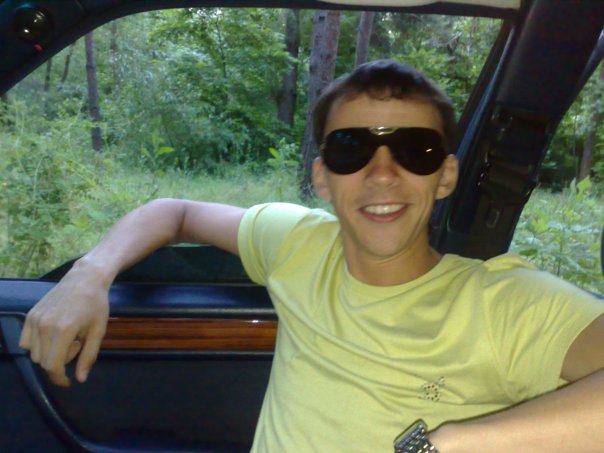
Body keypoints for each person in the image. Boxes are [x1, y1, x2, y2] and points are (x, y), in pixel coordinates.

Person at [19, 60, 604, 452]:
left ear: (445, 175)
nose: (382, 173)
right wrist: (89, 274)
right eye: (351, 149)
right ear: (323, 177)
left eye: (415, 150)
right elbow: (174, 211)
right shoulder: (300, 243)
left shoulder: (503, 303)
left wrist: (450, 444)